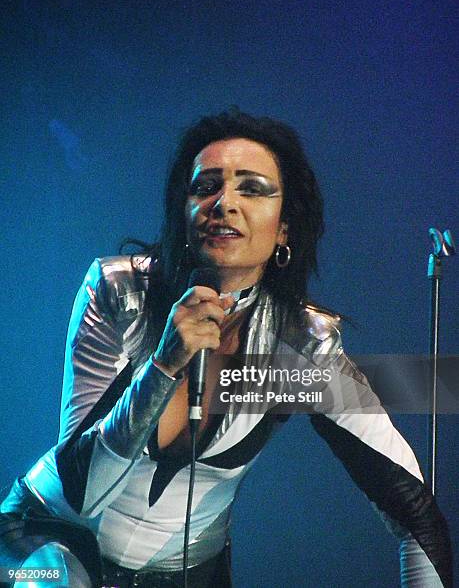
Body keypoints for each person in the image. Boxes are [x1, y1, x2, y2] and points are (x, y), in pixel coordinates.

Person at [0, 110, 453, 587]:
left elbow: (416, 514)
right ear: (183, 210)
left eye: (252, 189)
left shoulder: (300, 347)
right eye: (205, 186)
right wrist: (163, 366)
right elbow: (85, 490)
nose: (224, 203)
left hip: (188, 573)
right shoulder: (119, 291)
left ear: (284, 229)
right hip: (40, 546)